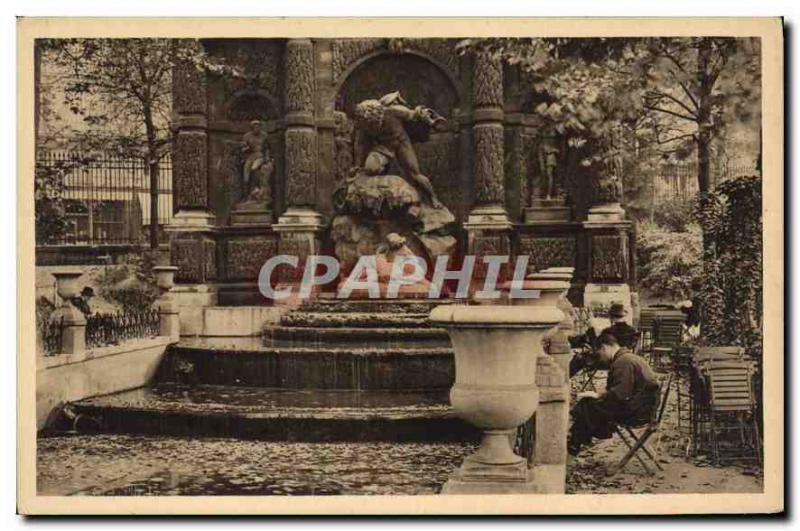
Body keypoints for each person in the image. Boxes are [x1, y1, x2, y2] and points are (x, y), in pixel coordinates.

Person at [567, 332, 660, 456]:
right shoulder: (628, 357)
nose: (600, 358)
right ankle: (579, 439)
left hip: (637, 412)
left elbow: (621, 394)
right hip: (643, 407)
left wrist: (599, 396)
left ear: (605, 347)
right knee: (589, 406)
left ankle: (576, 441)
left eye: (599, 353)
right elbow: (623, 391)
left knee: (587, 405)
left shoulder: (623, 362)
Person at [352, 91, 447, 208]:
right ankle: (382, 196)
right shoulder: (364, 125)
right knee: (370, 168)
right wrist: (357, 165)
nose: (372, 128)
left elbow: (414, 115)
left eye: (374, 124)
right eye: (370, 126)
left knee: (415, 174)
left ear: (379, 114)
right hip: (384, 147)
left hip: (402, 143)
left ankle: (433, 198)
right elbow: (360, 145)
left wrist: (429, 119)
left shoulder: (393, 111)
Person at [568, 302, 638, 378]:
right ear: (623, 316)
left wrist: (591, 331)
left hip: (606, 362)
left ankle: (563, 380)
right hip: (624, 361)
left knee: (579, 358)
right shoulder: (632, 331)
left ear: (610, 317)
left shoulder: (608, 331)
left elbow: (596, 348)